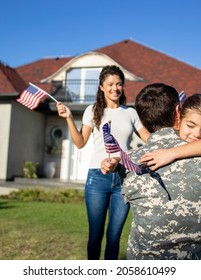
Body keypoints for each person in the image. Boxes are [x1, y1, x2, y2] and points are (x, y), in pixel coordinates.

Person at [102, 83, 201, 259]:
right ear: (178, 112)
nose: (197, 134)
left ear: (141, 121)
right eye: (192, 125)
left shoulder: (132, 166)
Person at [56, 65, 150, 260]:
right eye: (110, 84)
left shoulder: (131, 113)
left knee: (114, 237)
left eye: (119, 84)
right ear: (101, 86)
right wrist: (68, 119)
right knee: (95, 236)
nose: (115, 88)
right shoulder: (92, 111)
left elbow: (150, 140)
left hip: (124, 179)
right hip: (98, 179)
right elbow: (80, 143)